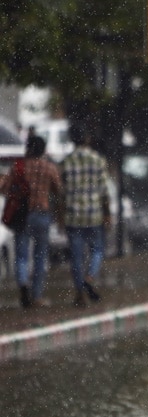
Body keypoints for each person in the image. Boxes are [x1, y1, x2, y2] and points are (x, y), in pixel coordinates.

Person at [1, 135, 62, 308]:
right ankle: (37, 296)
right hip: (41, 215)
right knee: (40, 256)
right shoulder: (49, 168)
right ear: (43, 149)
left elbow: (5, 189)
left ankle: (22, 283)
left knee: (21, 255)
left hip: (22, 215)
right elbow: (58, 189)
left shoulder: (18, 167)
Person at [60, 123, 112, 308]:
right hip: (94, 214)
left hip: (73, 215)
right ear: (87, 139)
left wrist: (60, 216)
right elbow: (104, 191)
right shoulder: (98, 160)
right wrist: (108, 213)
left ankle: (80, 292)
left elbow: (61, 192)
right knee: (97, 250)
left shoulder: (66, 162)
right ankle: (89, 277)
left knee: (76, 256)